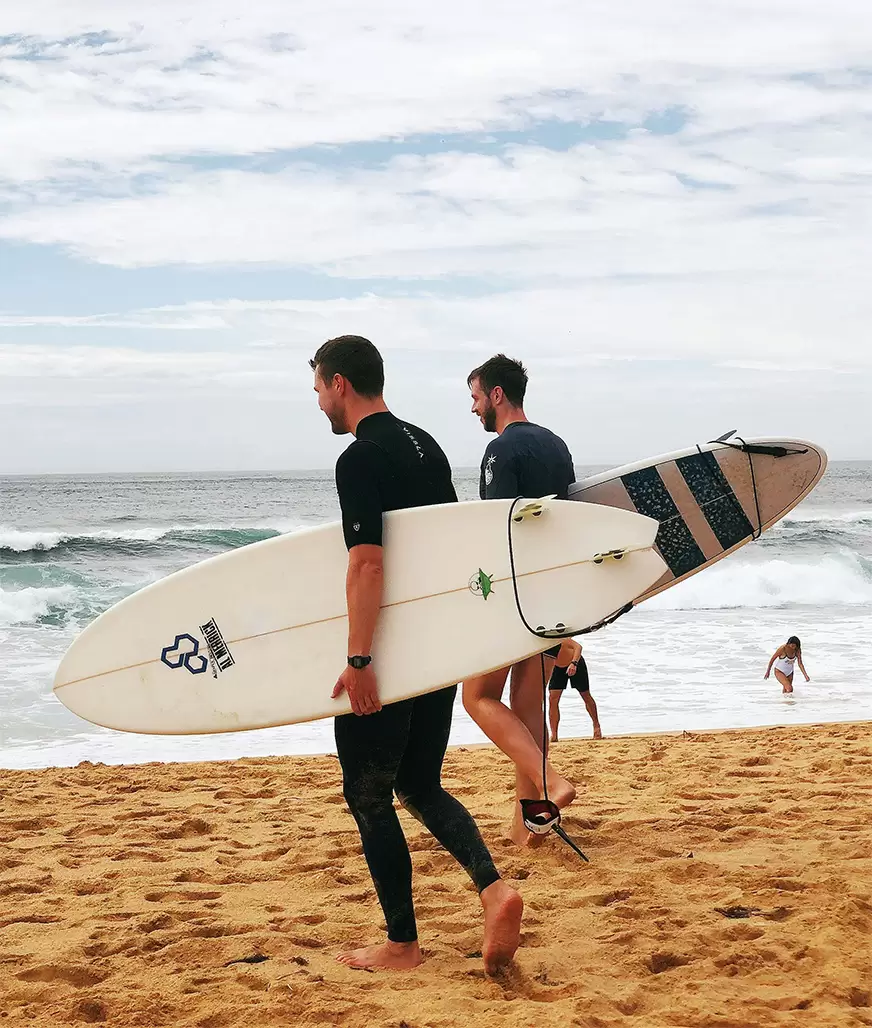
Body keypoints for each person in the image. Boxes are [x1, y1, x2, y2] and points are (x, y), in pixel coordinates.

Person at [310, 334, 523, 974]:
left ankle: (402, 944)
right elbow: (449, 547)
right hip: (435, 647)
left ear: (340, 384)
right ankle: (493, 889)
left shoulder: (358, 458)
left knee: (368, 794)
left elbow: (368, 562)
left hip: (391, 655)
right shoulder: (425, 443)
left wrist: (360, 659)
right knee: (419, 782)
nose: (318, 400)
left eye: (319, 387)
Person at [461, 354, 578, 847]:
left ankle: (551, 784)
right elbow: (567, 523)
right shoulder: (557, 446)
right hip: (548, 592)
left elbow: (497, 529)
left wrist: (475, 593)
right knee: (526, 714)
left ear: (497, 396)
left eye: (474, 397)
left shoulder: (500, 450)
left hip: (511, 595)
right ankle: (528, 827)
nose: (473, 409)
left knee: (477, 697)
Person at [548, 639, 602, 741]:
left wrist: (574, 663)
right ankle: (554, 734)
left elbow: (578, 647)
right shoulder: (540, 642)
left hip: (575, 663)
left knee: (585, 695)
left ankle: (596, 726)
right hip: (557, 668)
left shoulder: (559, 638)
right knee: (552, 699)